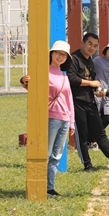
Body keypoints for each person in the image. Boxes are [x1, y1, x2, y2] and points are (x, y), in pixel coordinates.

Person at [67, 33, 109, 171]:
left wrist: (97, 91)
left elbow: (93, 83)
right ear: (83, 42)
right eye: (90, 44)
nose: (92, 47)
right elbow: (71, 79)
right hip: (77, 101)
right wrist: (91, 83)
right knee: (83, 135)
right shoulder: (74, 58)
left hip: (90, 100)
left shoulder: (90, 61)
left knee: (100, 133)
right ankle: (87, 164)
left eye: (95, 45)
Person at [20, 40, 75, 197]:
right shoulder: (44, 71)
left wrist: (72, 123)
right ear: (52, 54)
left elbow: (70, 101)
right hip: (51, 119)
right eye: (58, 53)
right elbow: (30, 83)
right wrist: (24, 80)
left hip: (65, 120)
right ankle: (39, 185)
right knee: (46, 153)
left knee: (56, 156)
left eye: (64, 55)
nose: (60, 56)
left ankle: (49, 187)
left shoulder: (64, 76)